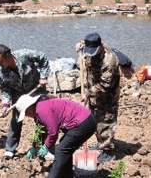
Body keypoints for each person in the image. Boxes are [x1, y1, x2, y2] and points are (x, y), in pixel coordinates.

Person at [16, 94, 97, 178]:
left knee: (61, 150)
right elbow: (41, 131)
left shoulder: (41, 110)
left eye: (25, 113)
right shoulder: (39, 110)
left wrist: (46, 146)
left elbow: (53, 132)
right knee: (64, 146)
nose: (26, 116)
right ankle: (67, 175)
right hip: (84, 121)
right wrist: (35, 147)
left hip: (84, 122)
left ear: (28, 108)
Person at [0, 44, 50, 159]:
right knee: (16, 119)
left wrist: (43, 77)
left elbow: (43, 58)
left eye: (1, 61)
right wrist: (5, 105)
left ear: (8, 56)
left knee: (42, 117)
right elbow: (5, 89)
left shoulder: (24, 55)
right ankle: (10, 149)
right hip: (18, 93)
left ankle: (44, 146)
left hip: (36, 88)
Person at [76, 32, 120, 163]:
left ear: (100, 46)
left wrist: (88, 93)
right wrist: (80, 46)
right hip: (94, 94)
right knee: (95, 121)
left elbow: (105, 85)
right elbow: (83, 45)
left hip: (107, 97)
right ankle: (101, 143)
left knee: (105, 123)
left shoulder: (109, 61)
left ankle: (108, 151)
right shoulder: (91, 47)